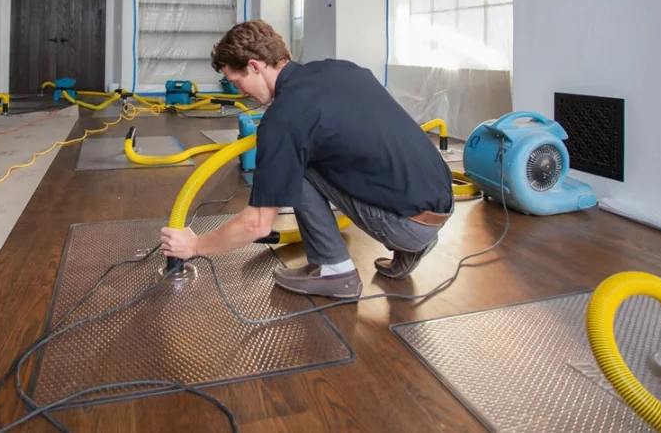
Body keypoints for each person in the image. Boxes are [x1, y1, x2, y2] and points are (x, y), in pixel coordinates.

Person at [159, 20, 454, 299]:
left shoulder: (283, 118)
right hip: (443, 201)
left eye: (237, 82)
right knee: (327, 155)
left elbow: (257, 225)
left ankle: (334, 271)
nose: (240, 92)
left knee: (297, 164)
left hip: (408, 225)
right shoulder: (342, 69)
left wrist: (195, 245)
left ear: (254, 66)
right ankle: (413, 247)